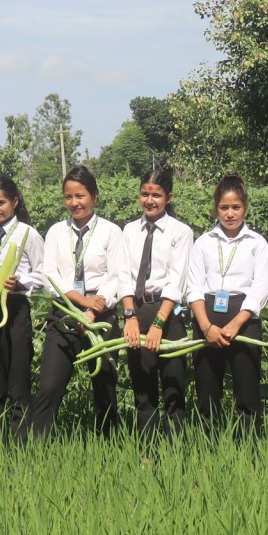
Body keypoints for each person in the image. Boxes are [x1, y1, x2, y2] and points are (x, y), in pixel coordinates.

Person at [31, 166, 127, 437]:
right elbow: (49, 277)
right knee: (49, 386)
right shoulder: (55, 232)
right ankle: (35, 448)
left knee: (104, 387)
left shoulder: (111, 232)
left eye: (80, 196)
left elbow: (116, 274)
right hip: (63, 314)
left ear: (95, 196)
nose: (74, 203)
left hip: (102, 316)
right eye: (68, 197)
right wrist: (83, 303)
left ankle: (109, 447)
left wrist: (94, 309)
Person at [186, 175, 268, 434]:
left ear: (245, 207)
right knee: (207, 390)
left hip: (244, 319)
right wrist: (205, 326)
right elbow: (194, 287)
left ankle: (249, 452)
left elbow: (260, 288)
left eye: (236, 207)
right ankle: (209, 448)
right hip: (207, 316)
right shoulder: (203, 242)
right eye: (224, 208)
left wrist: (236, 323)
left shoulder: (256, 243)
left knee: (247, 391)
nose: (230, 214)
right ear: (216, 209)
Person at [117, 168, 196, 438]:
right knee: (143, 389)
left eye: (157, 195)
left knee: (174, 388)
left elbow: (177, 281)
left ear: (168, 197)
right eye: (144, 194)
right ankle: (147, 453)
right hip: (137, 311)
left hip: (169, 314)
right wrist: (130, 316)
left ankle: (174, 451)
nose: (149, 200)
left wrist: (159, 323)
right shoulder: (129, 230)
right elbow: (124, 276)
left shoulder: (181, 232)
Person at [0, 175, 45, 445]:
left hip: (15, 310)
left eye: (1, 202)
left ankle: (20, 446)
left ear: (15, 201)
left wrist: (21, 282)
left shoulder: (29, 234)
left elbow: (42, 275)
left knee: (17, 383)